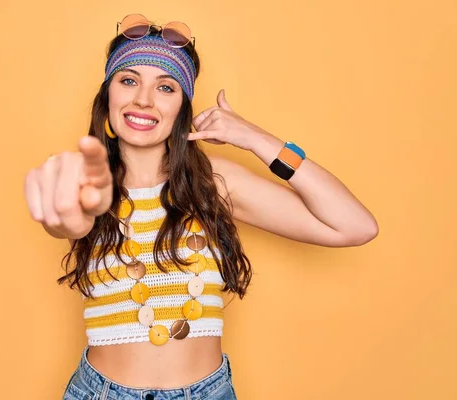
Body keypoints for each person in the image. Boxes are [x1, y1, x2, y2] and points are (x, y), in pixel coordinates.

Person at [24, 13, 378, 400]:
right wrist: (65, 217)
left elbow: (355, 226)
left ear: (183, 108)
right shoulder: (87, 180)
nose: (143, 99)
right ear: (107, 95)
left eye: (166, 87)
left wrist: (255, 139)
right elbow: (69, 222)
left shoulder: (213, 183)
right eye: (129, 81)